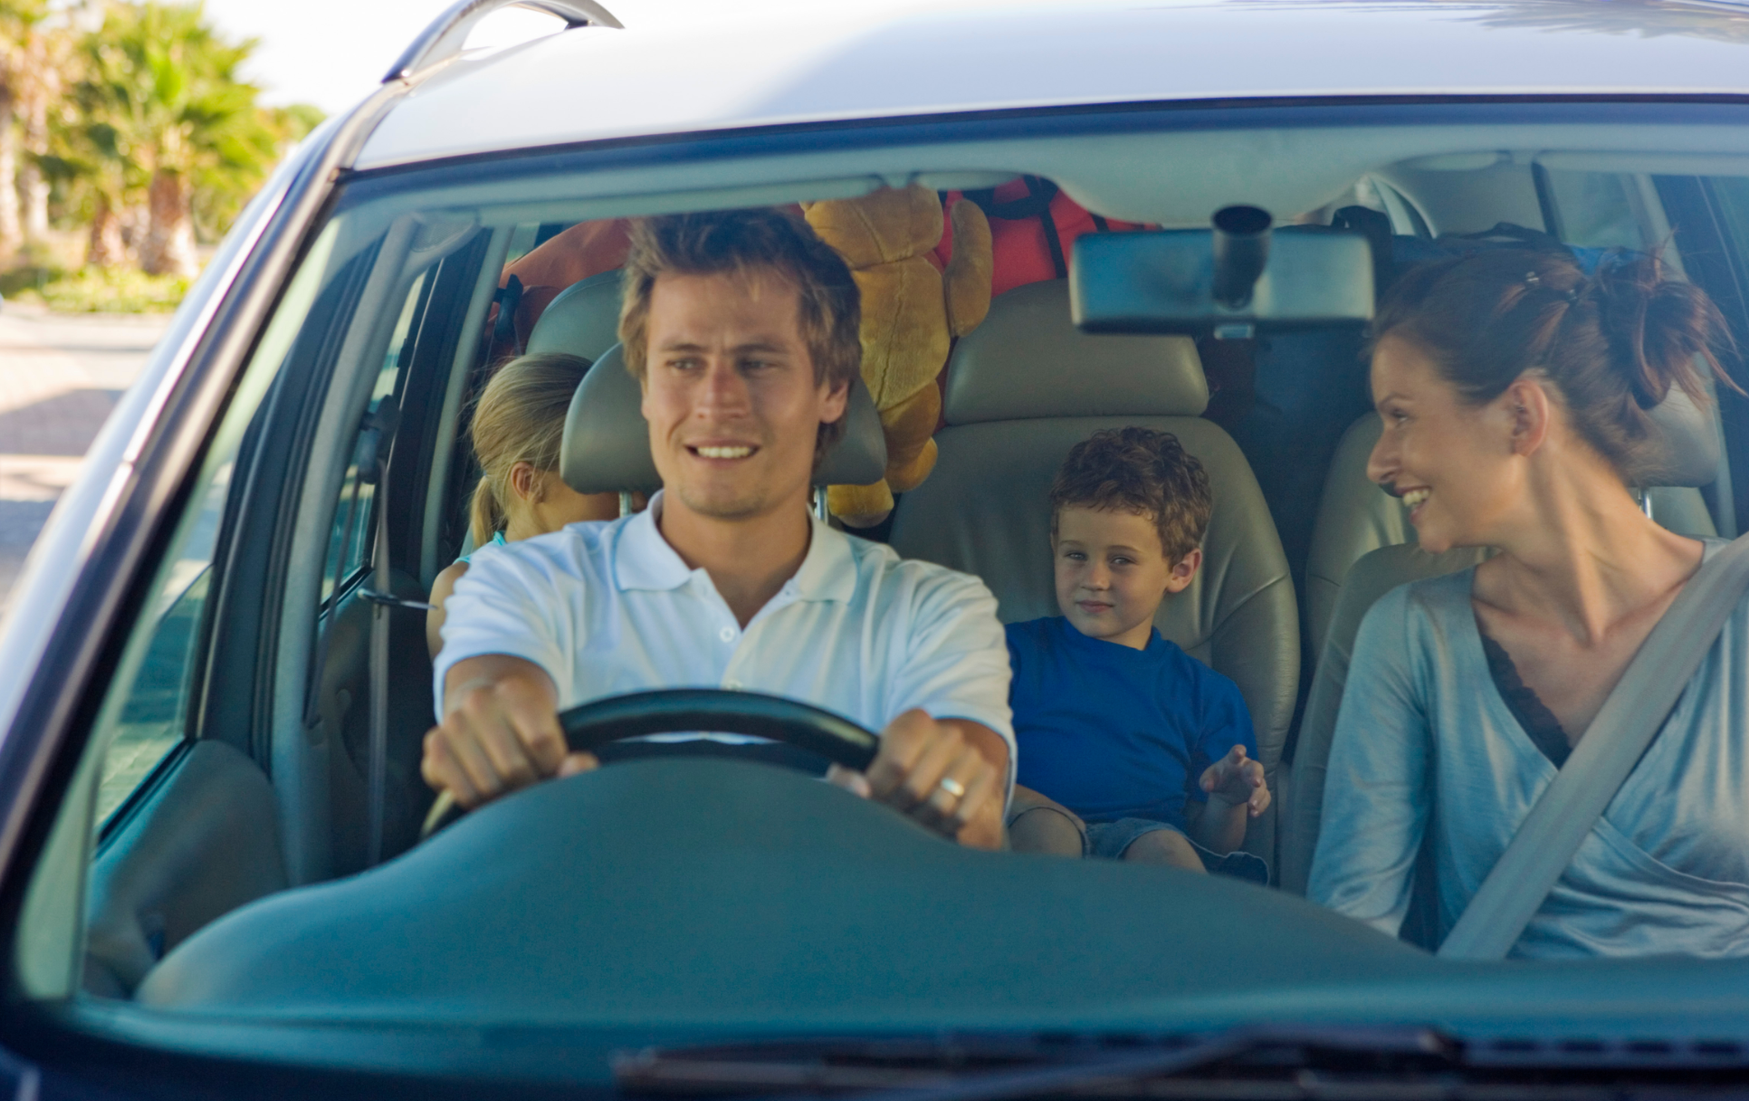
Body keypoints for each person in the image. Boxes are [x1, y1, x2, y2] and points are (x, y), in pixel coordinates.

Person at [422, 208, 1016, 847]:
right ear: (644, 388)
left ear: (834, 388)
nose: (717, 401)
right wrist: (495, 725)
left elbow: (972, 786)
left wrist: (949, 789)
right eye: (682, 363)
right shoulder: (518, 586)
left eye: (759, 362)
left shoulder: (936, 613)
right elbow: (490, 680)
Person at [1308, 247, 1749, 958]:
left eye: (1401, 417)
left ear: (1520, 415)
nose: (1377, 462)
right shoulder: (1411, 636)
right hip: (1504, 1064)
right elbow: (1351, 950)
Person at [1003, 428, 1271, 874]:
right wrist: (1033, 805)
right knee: (1046, 833)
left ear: (1180, 569)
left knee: (1165, 849)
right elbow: (956, 764)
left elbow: (1215, 845)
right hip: (1025, 836)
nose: (1095, 579)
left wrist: (1227, 801)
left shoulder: (1207, 695)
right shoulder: (1007, 655)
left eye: (1121, 560)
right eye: (1075, 555)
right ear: (1054, 548)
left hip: (1148, 849)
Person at [424, 352, 625, 657]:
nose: (636, 497)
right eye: (606, 476)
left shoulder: (636, 557)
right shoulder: (464, 591)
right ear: (529, 484)